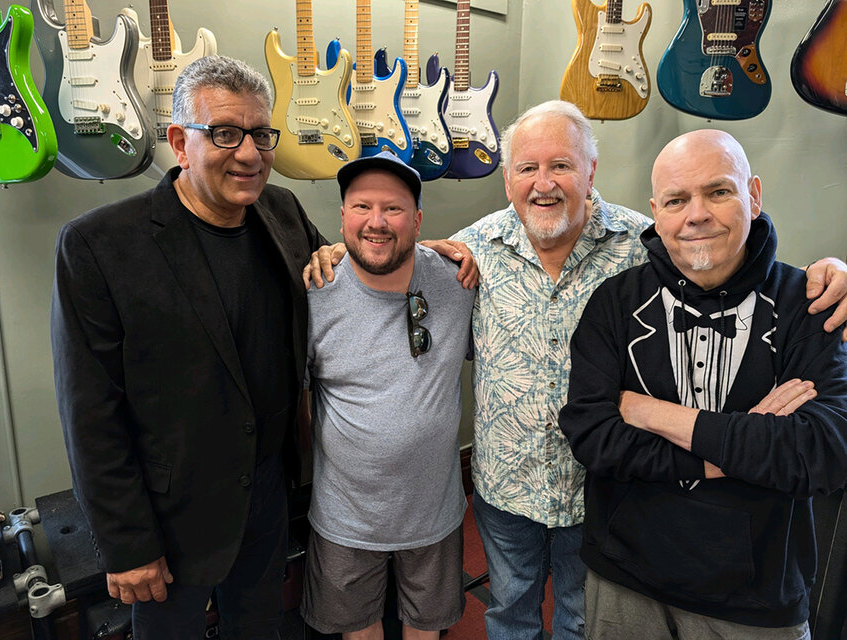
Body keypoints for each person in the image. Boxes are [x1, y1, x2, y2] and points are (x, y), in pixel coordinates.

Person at [305, 100, 847, 640]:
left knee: (580, 621)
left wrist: (827, 273)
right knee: (508, 612)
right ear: (507, 178)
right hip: (505, 486)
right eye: (527, 168)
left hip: (602, 491)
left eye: (561, 165)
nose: (544, 183)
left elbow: (726, 257)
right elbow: (386, 251)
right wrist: (333, 251)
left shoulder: (643, 244)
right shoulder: (468, 252)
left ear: (590, 172)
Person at [50, 55, 326, 640]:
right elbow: (90, 413)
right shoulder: (99, 245)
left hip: (268, 496)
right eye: (224, 133)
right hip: (170, 521)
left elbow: (340, 278)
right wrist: (126, 546)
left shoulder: (282, 211)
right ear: (179, 141)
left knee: (258, 629)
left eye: (260, 134)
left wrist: (434, 253)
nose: (249, 154)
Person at [558, 129, 847, 639]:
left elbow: (822, 452)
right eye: (676, 200)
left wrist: (653, 414)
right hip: (625, 576)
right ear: (655, 211)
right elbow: (592, 436)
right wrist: (740, 446)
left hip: (757, 596)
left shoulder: (810, 303)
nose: (696, 215)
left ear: (753, 196)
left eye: (718, 191)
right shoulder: (615, 303)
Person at [299, 151, 475, 640]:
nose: (376, 222)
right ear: (341, 217)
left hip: (433, 513)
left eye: (393, 209)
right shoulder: (314, 290)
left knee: (427, 629)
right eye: (361, 207)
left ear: (417, 220)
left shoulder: (458, 279)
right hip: (345, 518)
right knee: (358, 631)